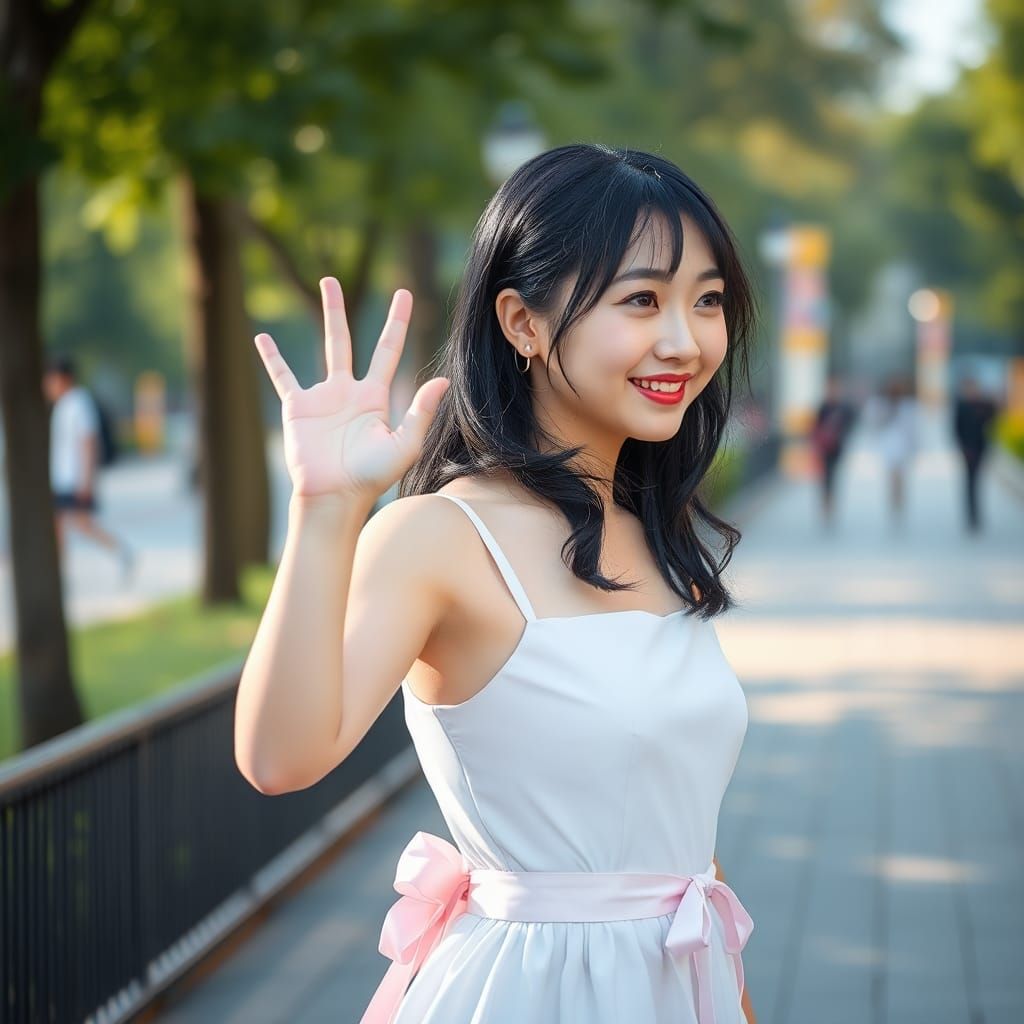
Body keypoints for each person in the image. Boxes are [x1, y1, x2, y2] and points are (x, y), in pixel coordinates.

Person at [235, 144, 758, 1024]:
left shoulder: (650, 529)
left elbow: (689, 865)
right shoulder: (441, 536)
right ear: (522, 322)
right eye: (641, 299)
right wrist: (327, 509)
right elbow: (281, 758)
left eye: (706, 301)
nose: (686, 339)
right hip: (529, 994)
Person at [43, 355, 135, 581]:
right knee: (68, 525)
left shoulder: (77, 403)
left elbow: (88, 441)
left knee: (78, 525)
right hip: (64, 479)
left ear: (62, 378)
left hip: (73, 480)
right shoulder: (64, 405)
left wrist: (86, 480)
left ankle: (120, 552)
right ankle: (119, 552)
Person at [952, 374, 999, 533]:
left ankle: (977, 515)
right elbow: (956, 428)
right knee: (969, 482)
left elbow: (994, 420)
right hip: (968, 449)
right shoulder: (962, 405)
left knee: (978, 481)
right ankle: (971, 516)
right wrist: (962, 447)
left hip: (981, 448)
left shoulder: (984, 404)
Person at [872, 373, 919, 528]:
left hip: (903, 447)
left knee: (901, 478)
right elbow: (874, 424)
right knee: (892, 478)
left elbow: (913, 428)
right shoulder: (882, 405)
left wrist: (915, 446)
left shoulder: (908, 406)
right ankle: (893, 504)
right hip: (889, 446)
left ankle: (900, 504)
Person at [811, 375, 855, 528]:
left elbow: (849, 425)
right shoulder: (823, 407)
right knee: (826, 477)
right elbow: (815, 427)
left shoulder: (844, 408)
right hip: (824, 448)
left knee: (832, 476)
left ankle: (830, 506)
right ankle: (826, 507)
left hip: (837, 447)